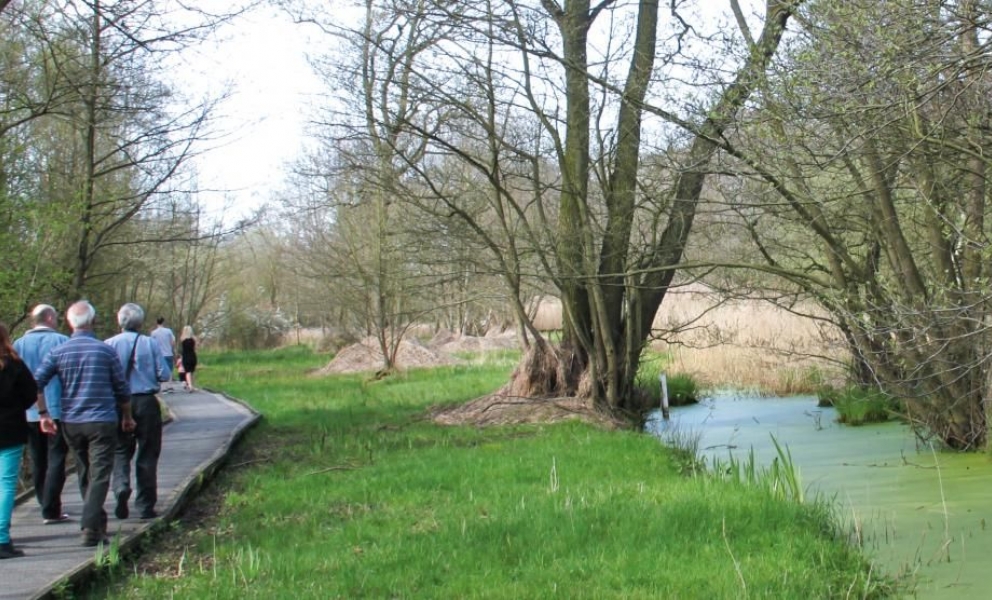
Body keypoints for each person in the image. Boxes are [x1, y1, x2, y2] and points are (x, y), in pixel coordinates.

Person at [34, 300, 135, 547]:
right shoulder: (105, 351)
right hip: (101, 420)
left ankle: (98, 525)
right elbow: (121, 389)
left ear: (70, 322)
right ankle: (90, 527)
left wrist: (44, 413)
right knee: (100, 474)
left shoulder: (59, 352)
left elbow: (36, 382)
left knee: (84, 472)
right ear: (91, 320)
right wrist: (127, 416)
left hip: (71, 421)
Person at [105, 303, 168, 521]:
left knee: (120, 450)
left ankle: (121, 486)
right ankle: (145, 506)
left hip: (118, 403)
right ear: (140, 323)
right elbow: (165, 374)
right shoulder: (150, 343)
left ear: (119, 321)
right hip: (146, 402)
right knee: (148, 452)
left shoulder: (108, 344)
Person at [13, 304, 71, 525]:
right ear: (48, 318)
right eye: (55, 317)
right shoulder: (62, 342)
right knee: (56, 457)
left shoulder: (17, 345)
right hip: (57, 409)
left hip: (29, 411)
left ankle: (42, 499)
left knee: (38, 459)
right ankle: (51, 506)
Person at [0, 322, 44, 559]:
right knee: (6, 484)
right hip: (9, 429)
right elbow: (30, 394)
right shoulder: (14, 365)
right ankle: (1, 540)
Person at [149, 317, 176, 386]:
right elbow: (173, 342)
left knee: (160, 371)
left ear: (156, 323)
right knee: (169, 370)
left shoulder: (153, 333)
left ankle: (163, 387)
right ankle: (169, 386)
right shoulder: (168, 331)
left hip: (159, 355)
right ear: (163, 322)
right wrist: (171, 348)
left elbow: (151, 344)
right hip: (168, 353)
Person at [179, 326, 198, 392]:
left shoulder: (182, 338)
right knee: (192, 371)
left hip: (185, 356)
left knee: (187, 371)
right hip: (192, 356)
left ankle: (190, 386)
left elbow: (183, 348)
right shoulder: (194, 339)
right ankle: (193, 385)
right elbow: (195, 348)